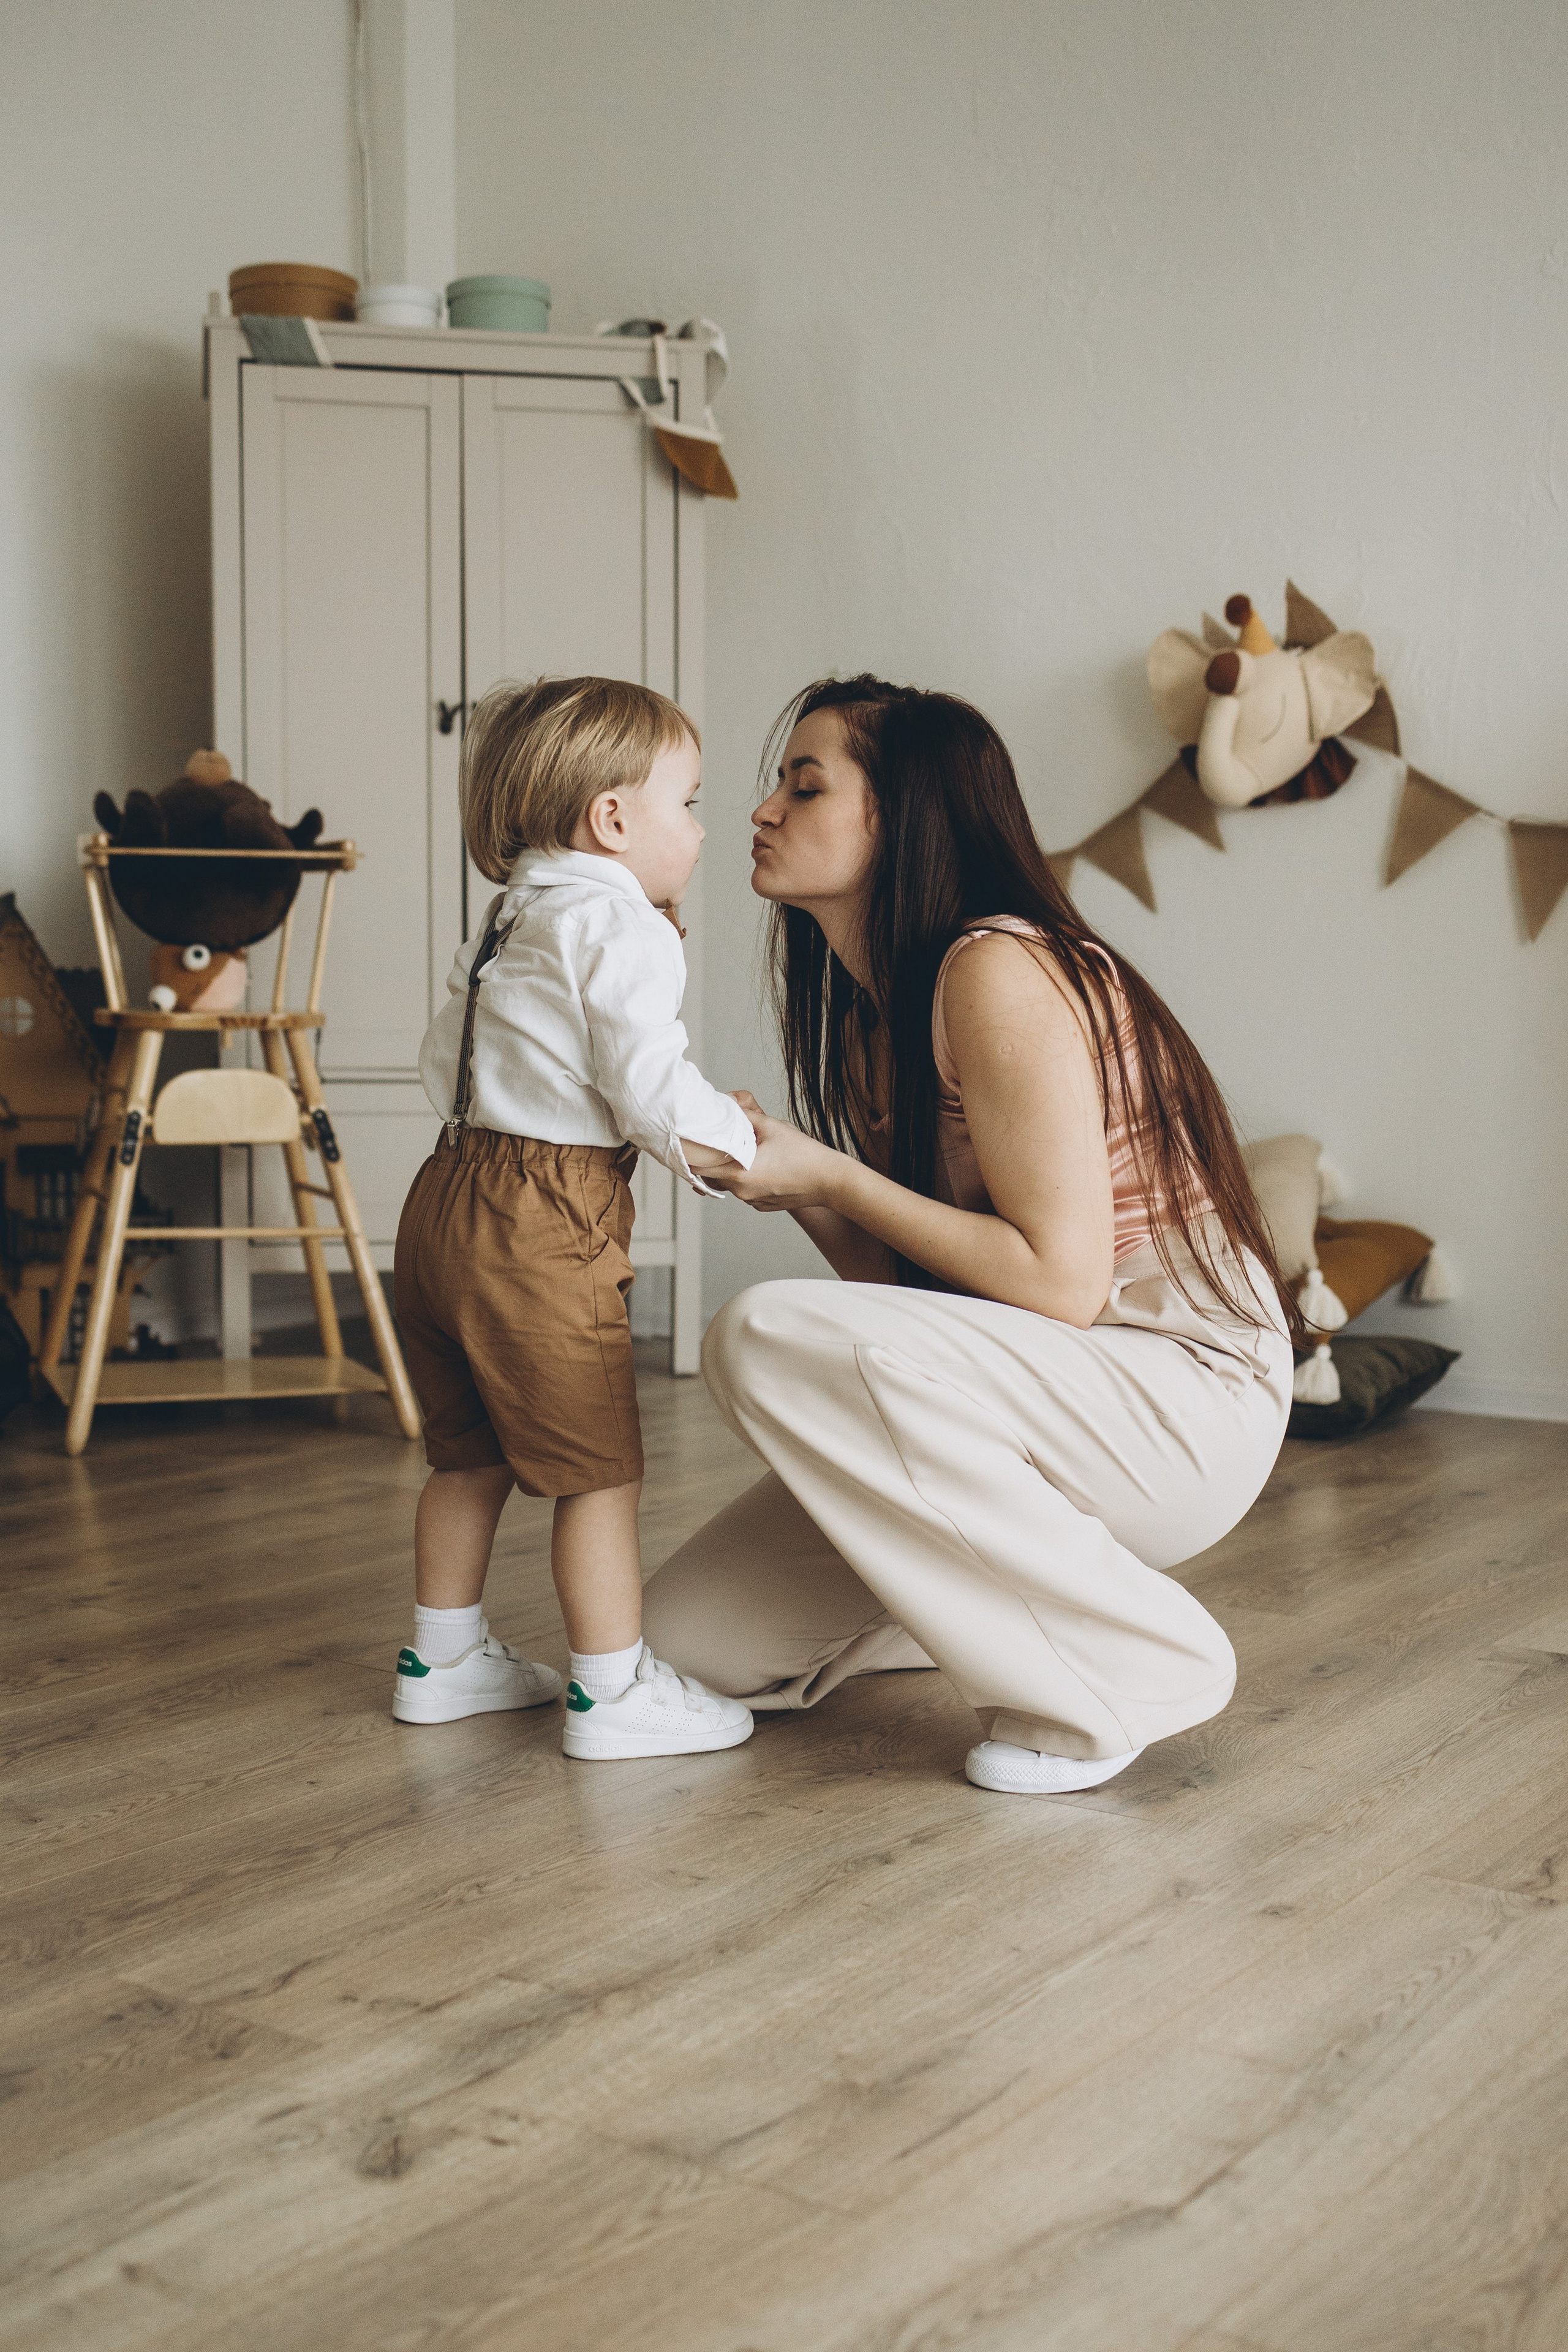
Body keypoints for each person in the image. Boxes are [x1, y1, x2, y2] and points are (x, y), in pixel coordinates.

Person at [641, 675, 1300, 1795]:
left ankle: (1137, 1667)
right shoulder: (874, 1020)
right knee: (682, 1645)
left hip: (1180, 1389)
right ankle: (992, 1607)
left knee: (760, 1332)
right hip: (1056, 1384)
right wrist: (796, 1184)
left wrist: (834, 1174)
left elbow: (1062, 1283)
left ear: (901, 814)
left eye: (805, 786)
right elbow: (921, 1301)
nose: (762, 810)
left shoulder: (996, 966)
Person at [390, 676, 757, 1762]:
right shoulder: (619, 922)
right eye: (689, 803)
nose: (701, 829)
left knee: (466, 1457)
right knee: (598, 1468)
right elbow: (647, 1084)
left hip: (444, 1192)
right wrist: (730, 1138)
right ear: (613, 820)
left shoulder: (515, 912)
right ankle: (611, 1692)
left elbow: (447, 1056)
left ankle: (442, 1662)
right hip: (541, 1218)